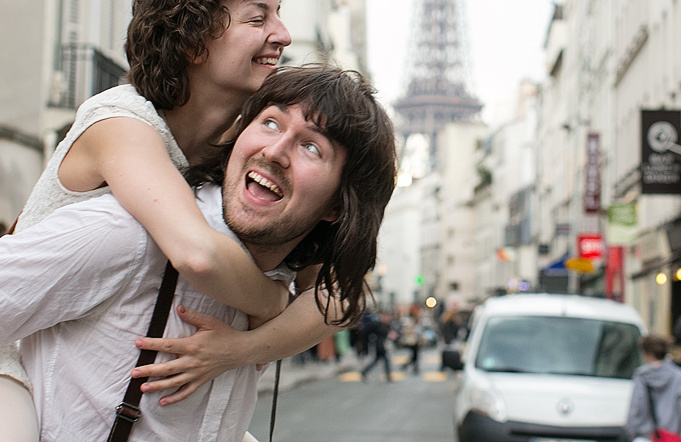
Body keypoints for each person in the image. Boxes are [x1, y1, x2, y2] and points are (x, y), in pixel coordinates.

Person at [0, 0, 297, 441]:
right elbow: (197, 253)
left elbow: (340, 300)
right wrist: (274, 305)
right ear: (193, 39)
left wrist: (247, 347)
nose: (284, 34)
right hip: (14, 358)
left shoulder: (236, 149)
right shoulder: (120, 123)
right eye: (257, 18)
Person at [0, 64, 398, 440]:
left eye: (312, 148)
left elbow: (341, 301)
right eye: (271, 122)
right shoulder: (129, 236)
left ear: (337, 207)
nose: (275, 151)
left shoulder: (285, 284)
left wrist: (245, 347)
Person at [626, 334, 681, 442]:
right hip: (672, 436)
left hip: (645, 436)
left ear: (648, 354)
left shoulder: (641, 376)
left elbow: (635, 407)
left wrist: (631, 432)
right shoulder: (678, 375)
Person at [360, 311, 396, 382]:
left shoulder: (385, 324)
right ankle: (388, 376)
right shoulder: (378, 324)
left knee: (377, 360)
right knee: (385, 360)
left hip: (382, 345)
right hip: (380, 345)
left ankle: (364, 371)